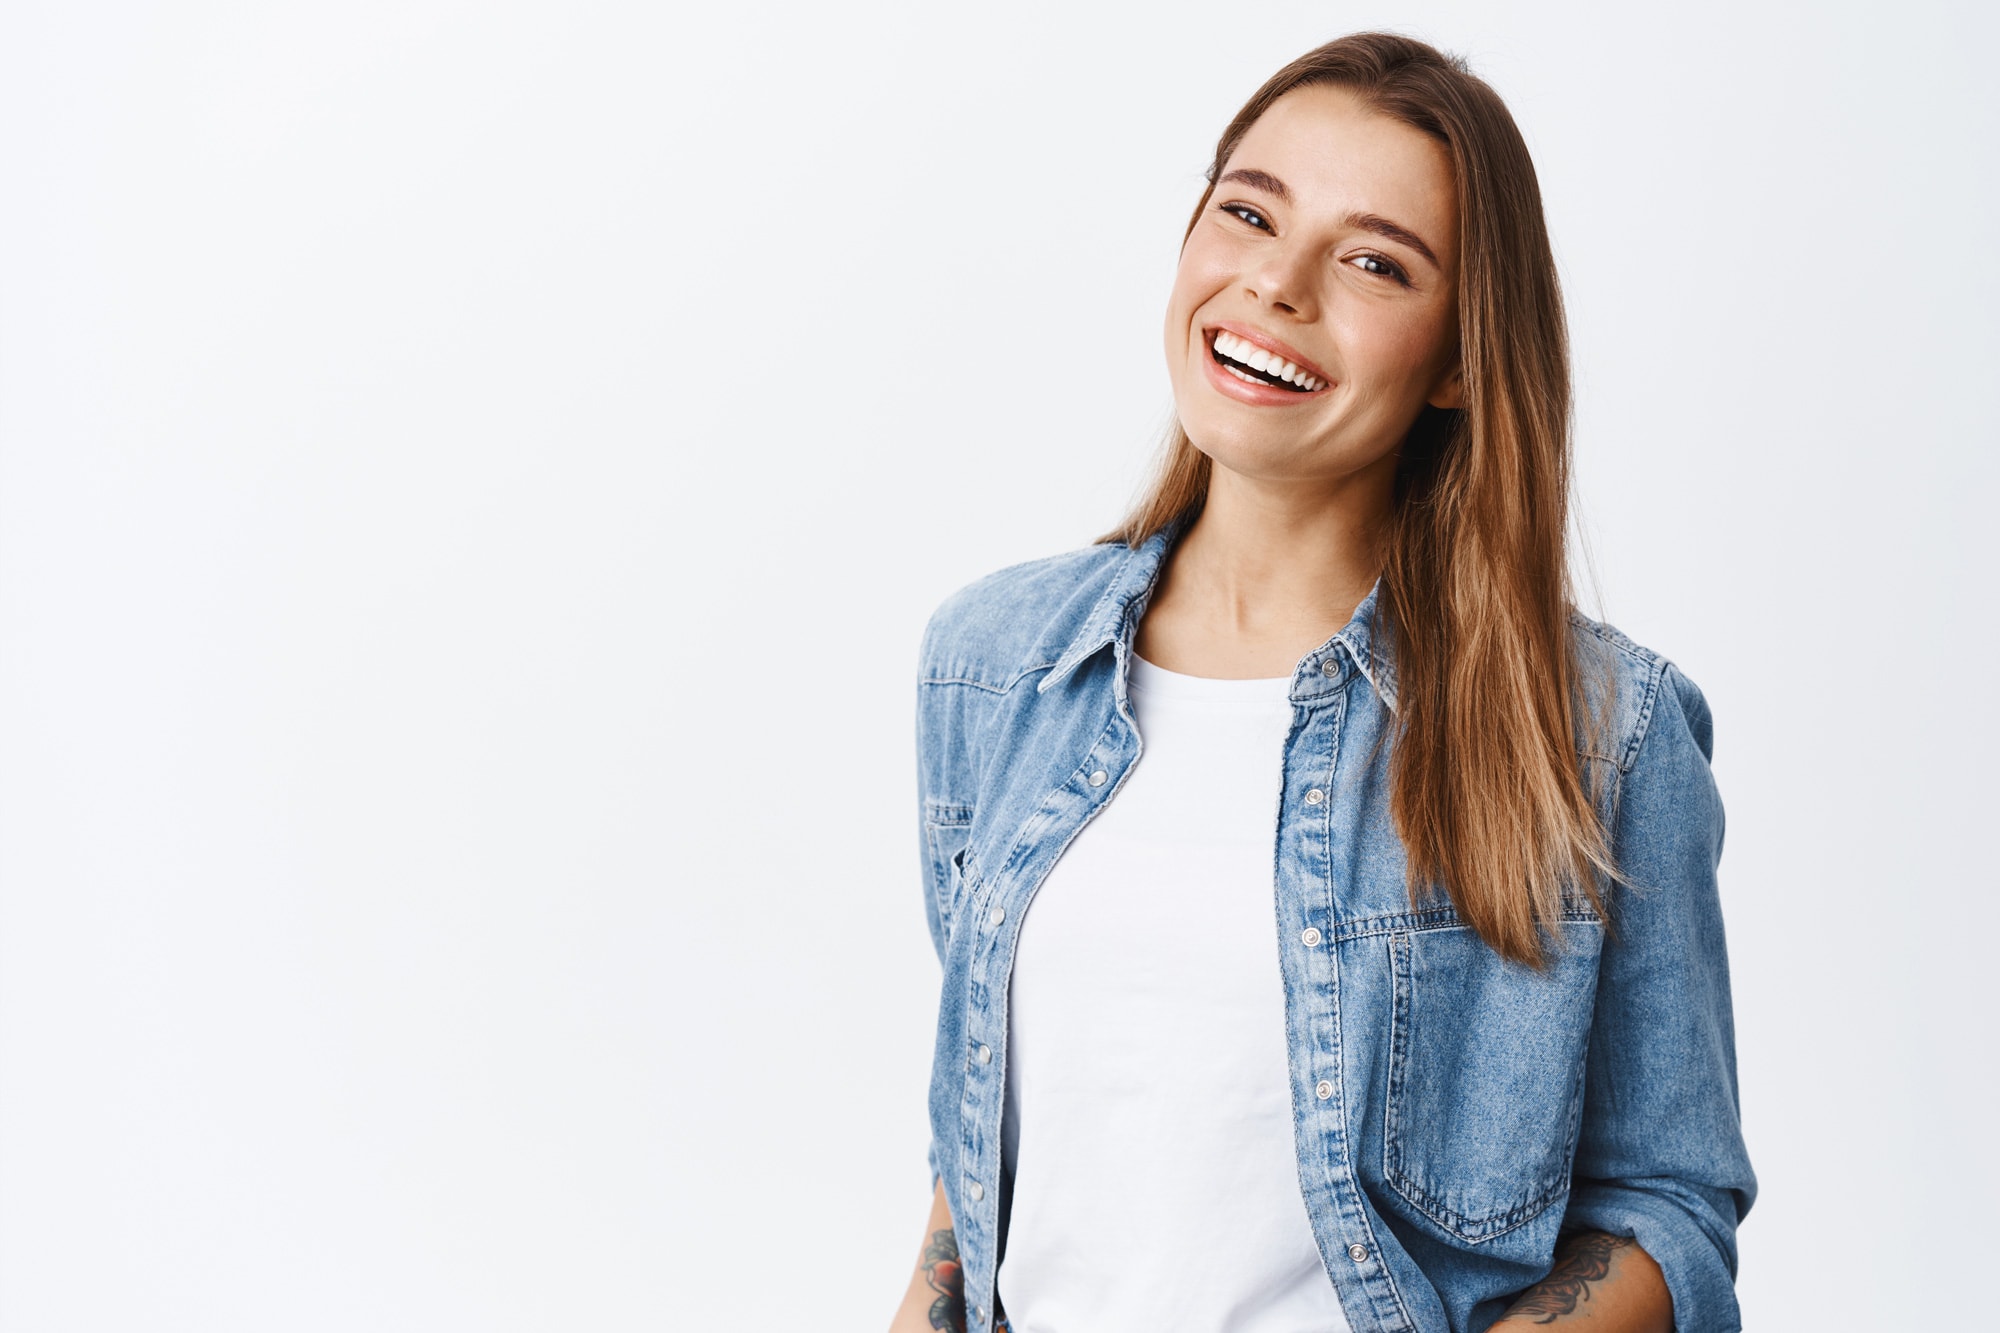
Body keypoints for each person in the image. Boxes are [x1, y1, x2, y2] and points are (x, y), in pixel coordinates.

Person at [886, 31, 1755, 1333]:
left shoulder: (1596, 733)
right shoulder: (995, 663)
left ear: (1460, 360)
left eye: (1373, 262)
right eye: (1249, 212)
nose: (1276, 285)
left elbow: (1666, 1209)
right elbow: (974, 1165)